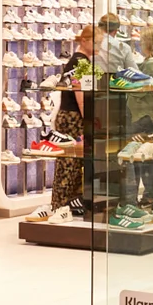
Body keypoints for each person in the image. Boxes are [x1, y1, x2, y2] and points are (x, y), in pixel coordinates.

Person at [49, 24, 98, 216]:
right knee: (70, 165)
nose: (100, 46)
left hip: (71, 117)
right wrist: (90, 119)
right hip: (73, 118)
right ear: (85, 40)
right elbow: (81, 94)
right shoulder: (80, 62)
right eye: (97, 41)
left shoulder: (81, 61)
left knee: (73, 165)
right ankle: (61, 207)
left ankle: (67, 206)